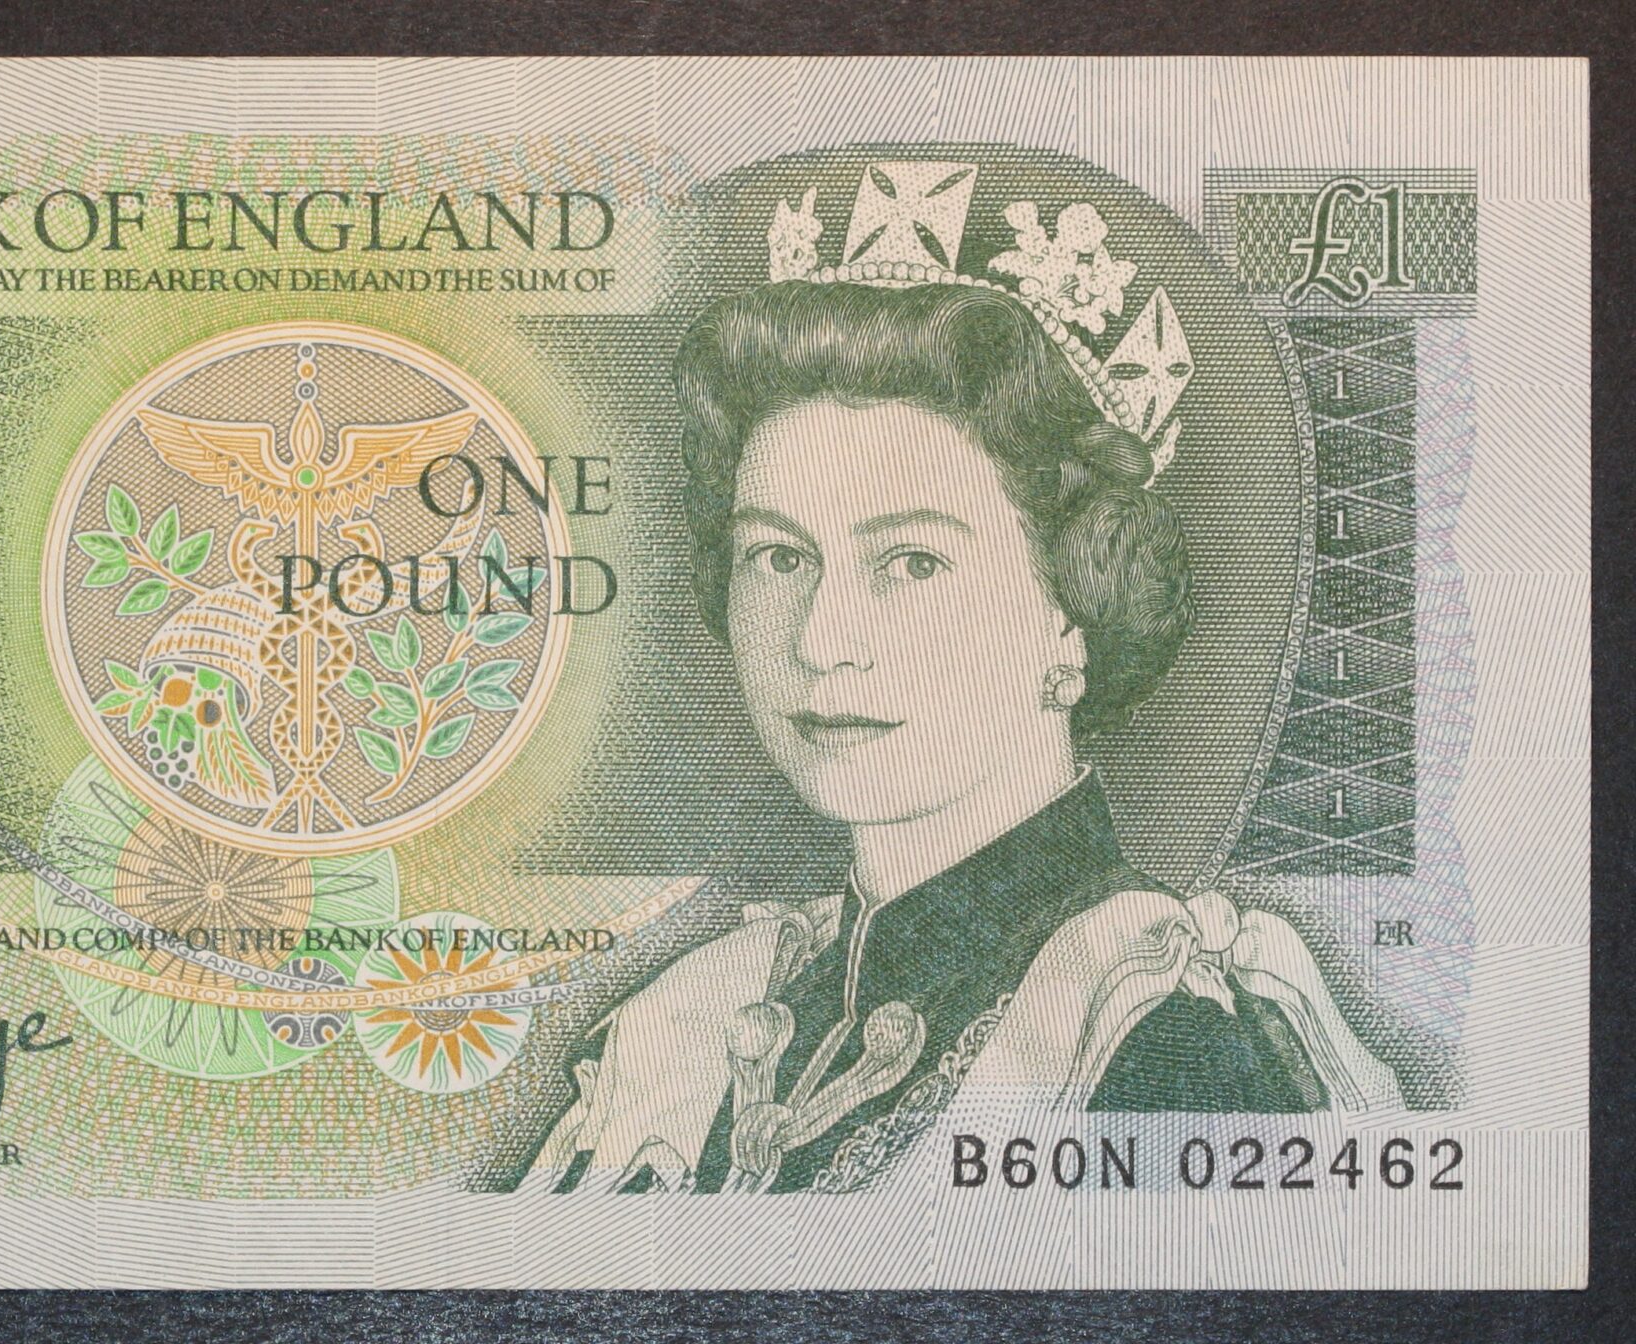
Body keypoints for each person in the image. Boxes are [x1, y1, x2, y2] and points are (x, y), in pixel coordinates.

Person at [527, 279, 1397, 1195]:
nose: (820, 639)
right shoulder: (702, 1012)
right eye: (779, 557)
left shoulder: (1158, 1029)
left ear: (1071, 617)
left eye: (912, 563)